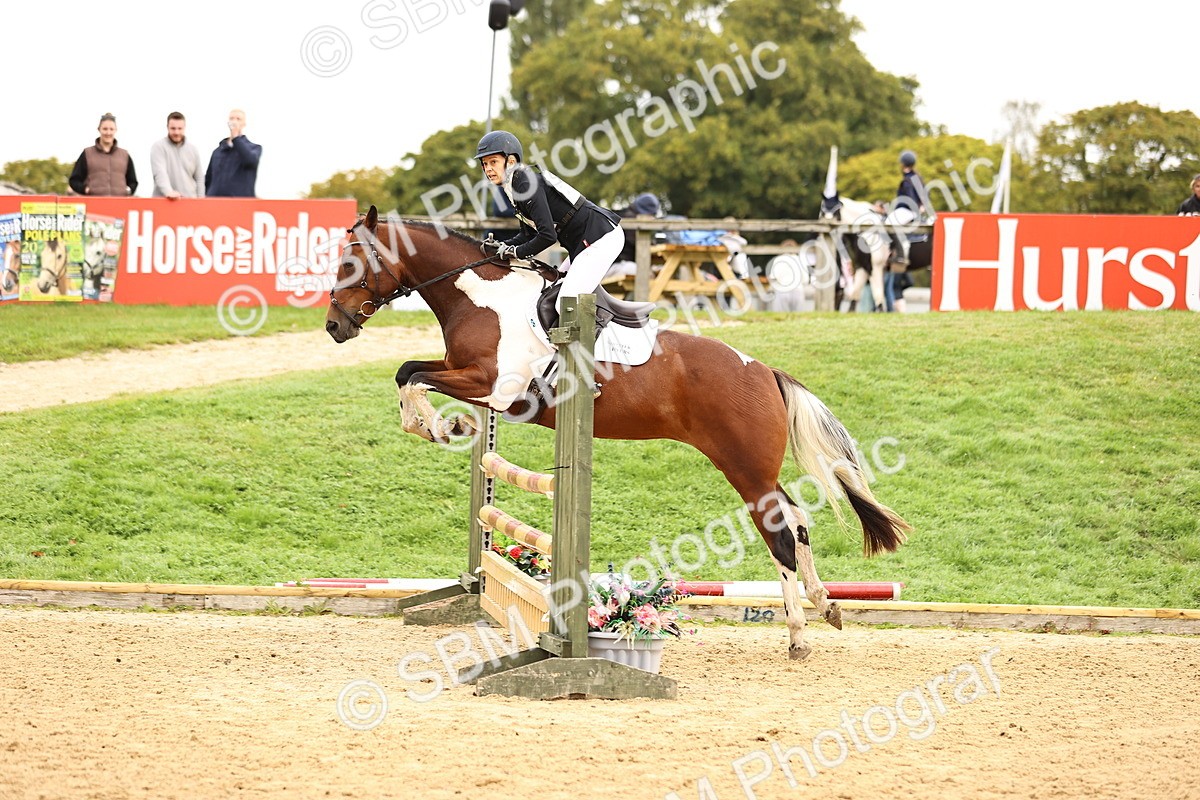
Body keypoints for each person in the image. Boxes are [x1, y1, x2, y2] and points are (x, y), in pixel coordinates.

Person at [475, 130, 624, 315]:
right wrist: (502, 246)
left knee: (564, 303)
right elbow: (527, 234)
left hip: (601, 237)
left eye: (493, 162)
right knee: (552, 290)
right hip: (585, 242)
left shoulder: (525, 183)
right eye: (484, 164)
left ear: (511, 161)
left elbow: (547, 236)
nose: (488, 169)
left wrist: (515, 252)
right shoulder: (514, 186)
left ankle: (585, 344)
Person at [69, 113, 137, 196]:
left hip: (120, 205)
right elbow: (74, 180)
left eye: (111, 129)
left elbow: (133, 181)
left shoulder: (125, 155)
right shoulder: (87, 153)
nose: (108, 132)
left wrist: (127, 191)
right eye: (105, 129)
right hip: (94, 205)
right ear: (99, 129)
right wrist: (85, 189)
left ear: (116, 130)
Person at [205, 109, 262, 197]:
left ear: (244, 124)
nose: (234, 121)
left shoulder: (254, 148)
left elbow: (251, 161)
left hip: (240, 204)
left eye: (238, 119)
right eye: (232, 118)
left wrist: (236, 138)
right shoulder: (218, 151)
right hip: (216, 203)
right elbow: (209, 178)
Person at [886, 150, 928, 267]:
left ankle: (900, 254)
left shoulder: (908, 180)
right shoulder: (917, 177)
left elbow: (909, 199)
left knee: (888, 223)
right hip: (912, 210)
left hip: (908, 210)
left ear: (903, 164)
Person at [150, 112, 205, 198]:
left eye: (180, 128)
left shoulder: (193, 150)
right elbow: (160, 173)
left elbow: (199, 178)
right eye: (173, 128)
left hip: (189, 202)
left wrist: (201, 200)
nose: (176, 132)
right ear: (167, 127)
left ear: (184, 128)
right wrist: (169, 192)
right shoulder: (158, 147)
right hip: (165, 202)